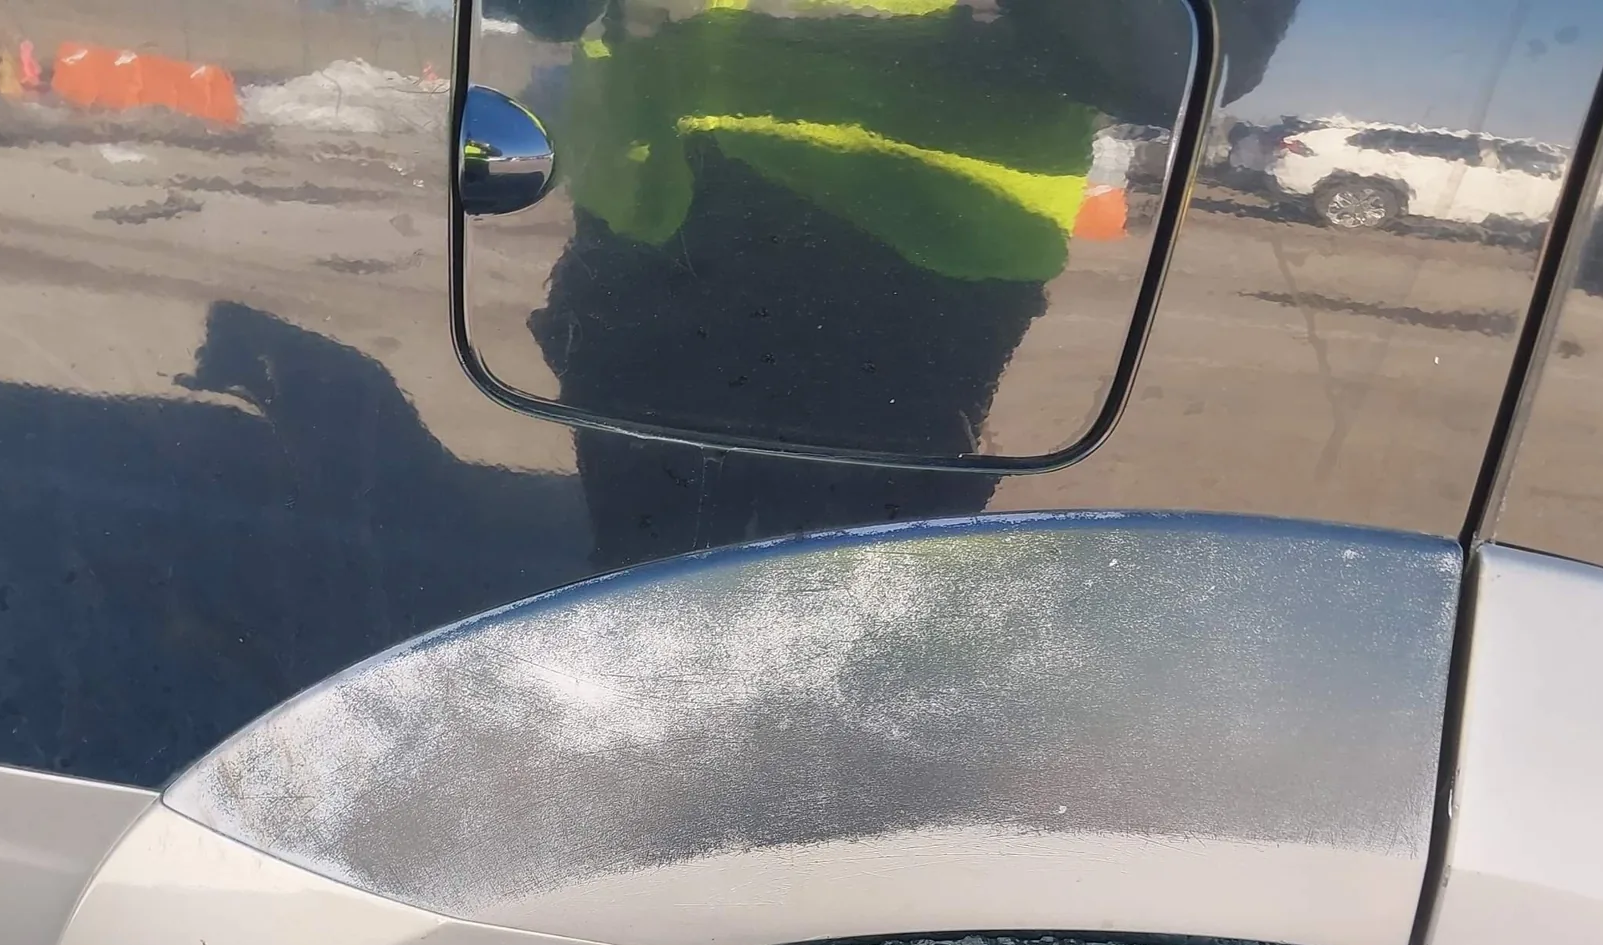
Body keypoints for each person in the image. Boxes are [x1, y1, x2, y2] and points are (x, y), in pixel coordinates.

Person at [497, 0, 1300, 567]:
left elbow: (1186, 55)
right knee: (633, 589)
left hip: (912, 274)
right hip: (644, 226)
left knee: (844, 612)